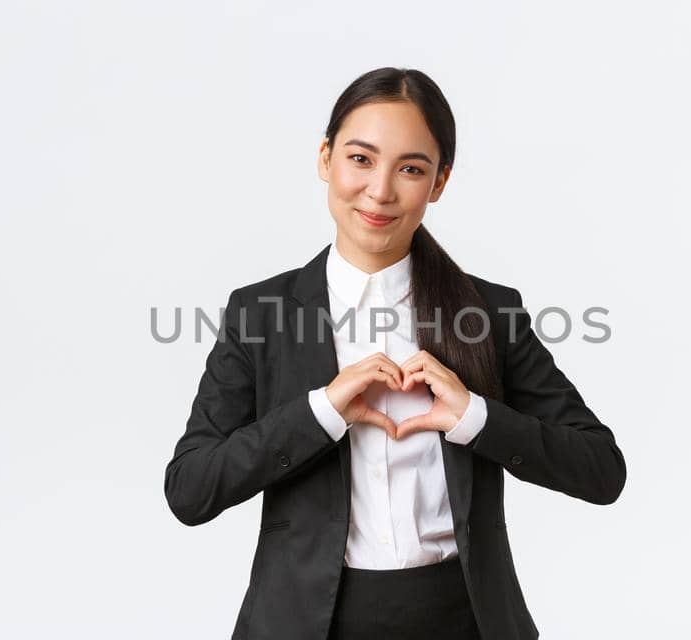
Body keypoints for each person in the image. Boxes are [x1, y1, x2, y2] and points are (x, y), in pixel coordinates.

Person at [164, 66, 626, 640]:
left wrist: (475, 419)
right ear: (325, 159)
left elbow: (601, 471)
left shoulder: (489, 312)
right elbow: (190, 489)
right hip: (307, 623)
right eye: (360, 159)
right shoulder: (260, 313)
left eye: (410, 169)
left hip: (466, 621)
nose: (380, 191)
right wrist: (321, 413)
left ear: (439, 183)